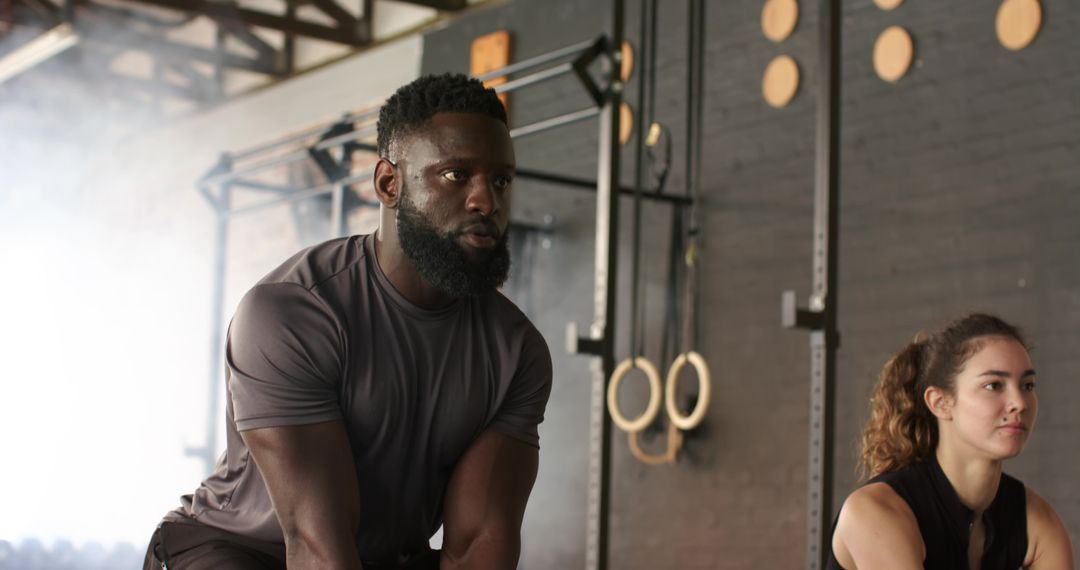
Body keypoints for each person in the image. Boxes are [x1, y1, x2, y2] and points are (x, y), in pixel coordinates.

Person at [143, 73, 553, 570]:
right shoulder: (291, 315)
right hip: (241, 551)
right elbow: (317, 548)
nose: (486, 201)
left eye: (501, 180)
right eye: (456, 175)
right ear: (389, 184)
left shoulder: (516, 352)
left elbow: (476, 546)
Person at [828, 313, 1074, 569]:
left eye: (1028, 386)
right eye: (993, 386)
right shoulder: (874, 512)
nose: (1020, 403)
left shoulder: (1038, 521)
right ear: (940, 402)